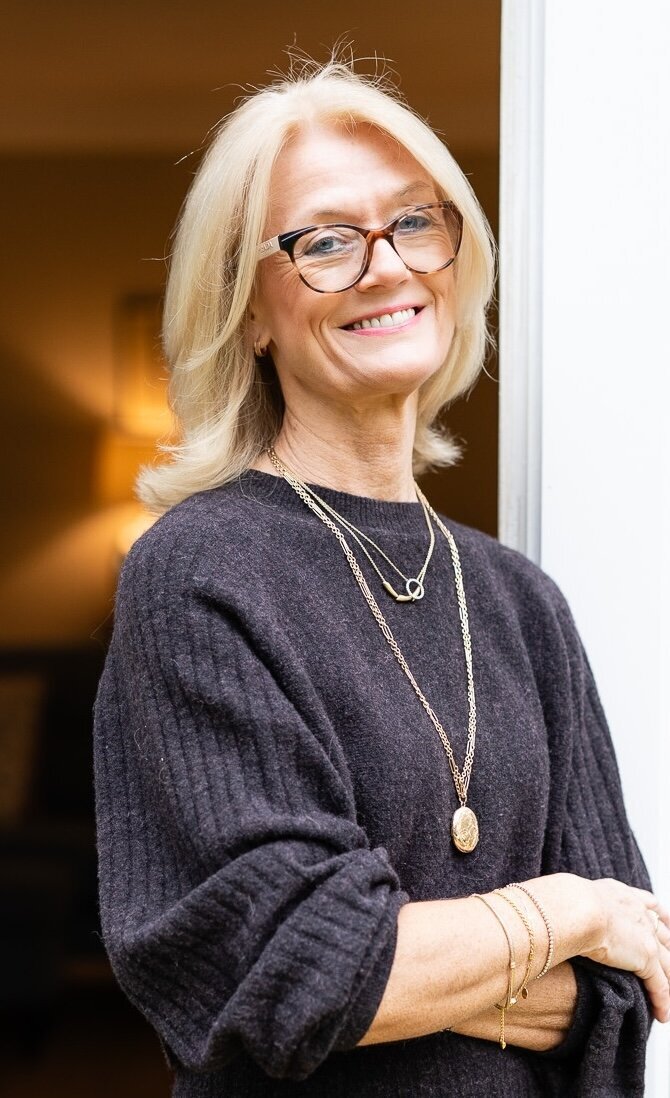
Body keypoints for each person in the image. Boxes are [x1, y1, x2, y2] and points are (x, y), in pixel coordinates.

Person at [93, 58, 670, 1098]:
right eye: (322, 241)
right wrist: (571, 913)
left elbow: (630, 984)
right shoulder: (196, 573)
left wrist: (412, 970)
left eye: (414, 223)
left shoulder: (518, 600)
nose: (384, 266)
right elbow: (297, 964)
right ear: (250, 312)